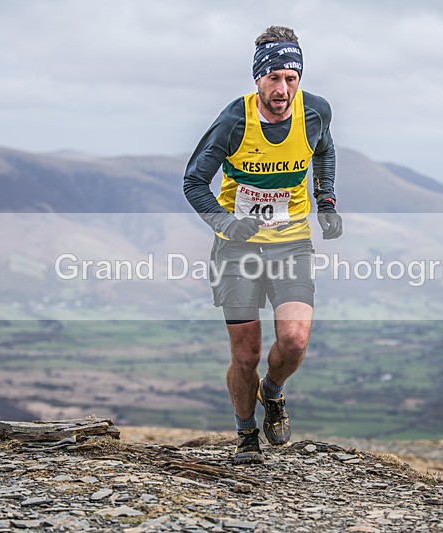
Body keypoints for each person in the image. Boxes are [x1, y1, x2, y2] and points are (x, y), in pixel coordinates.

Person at [183, 25, 342, 465]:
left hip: (291, 243)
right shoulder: (235, 120)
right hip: (238, 251)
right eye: (274, 77)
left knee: (293, 341)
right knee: (246, 352)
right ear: (258, 79)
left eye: (291, 78)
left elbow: (324, 149)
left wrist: (324, 198)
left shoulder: (315, 112)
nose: (283, 88)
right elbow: (194, 180)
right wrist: (225, 224)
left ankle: (272, 392)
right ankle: (246, 434)